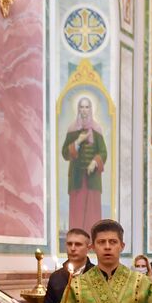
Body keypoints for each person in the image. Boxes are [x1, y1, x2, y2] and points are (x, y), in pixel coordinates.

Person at [62, 96, 106, 231]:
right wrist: (78, 142)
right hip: (76, 179)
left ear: (91, 109)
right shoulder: (72, 130)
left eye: (87, 107)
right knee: (77, 210)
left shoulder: (97, 129)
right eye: (82, 107)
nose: (84, 110)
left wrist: (95, 162)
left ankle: (93, 241)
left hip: (92, 179)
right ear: (78, 109)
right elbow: (65, 153)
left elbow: (103, 152)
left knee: (92, 213)